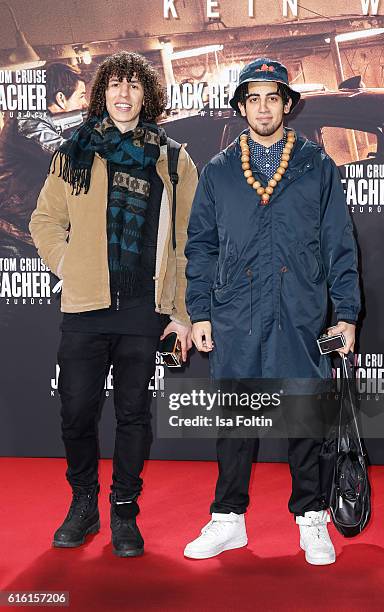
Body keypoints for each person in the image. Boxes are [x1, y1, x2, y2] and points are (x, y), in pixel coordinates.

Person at [184, 58, 360, 565]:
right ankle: (228, 520)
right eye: (253, 98)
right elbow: (200, 247)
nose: (263, 107)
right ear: (241, 107)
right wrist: (200, 312)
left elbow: (339, 244)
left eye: (272, 97)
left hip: (301, 311)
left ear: (287, 104)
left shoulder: (316, 165)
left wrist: (345, 313)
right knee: (237, 421)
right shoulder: (218, 171)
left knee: (303, 416)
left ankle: (311, 518)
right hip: (236, 314)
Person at [29, 51, 197, 557]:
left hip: (144, 306)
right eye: (114, 86)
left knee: (134, 414)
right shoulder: (75, 152)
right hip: (85, 304)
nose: (123, 95)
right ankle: (84, 503)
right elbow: (44, 221)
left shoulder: (171, 158)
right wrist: (70, 265)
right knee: (76, 411)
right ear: (103, 94)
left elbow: (188, 239)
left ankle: (124, 509)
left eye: (134, 86)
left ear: (148, 96)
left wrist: (183, 312)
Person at [0, 63, 88, 249]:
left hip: (31, 221)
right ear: (61, 99)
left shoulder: (40, 119)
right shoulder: (27, 122)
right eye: (81, 96)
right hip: (17, 231)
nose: (84, 103)